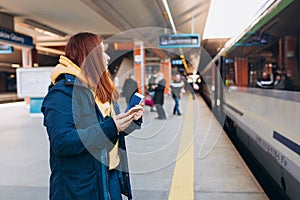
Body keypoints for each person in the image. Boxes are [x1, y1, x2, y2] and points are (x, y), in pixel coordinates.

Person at [41, 32, 143, 200]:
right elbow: (62, 142)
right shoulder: (62, 93)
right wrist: (111, 127)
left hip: (109, 177)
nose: (108, 57)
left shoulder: (98, 89)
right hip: (82, 186)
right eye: (102, 52)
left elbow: (109, 133)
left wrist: (131, 120)